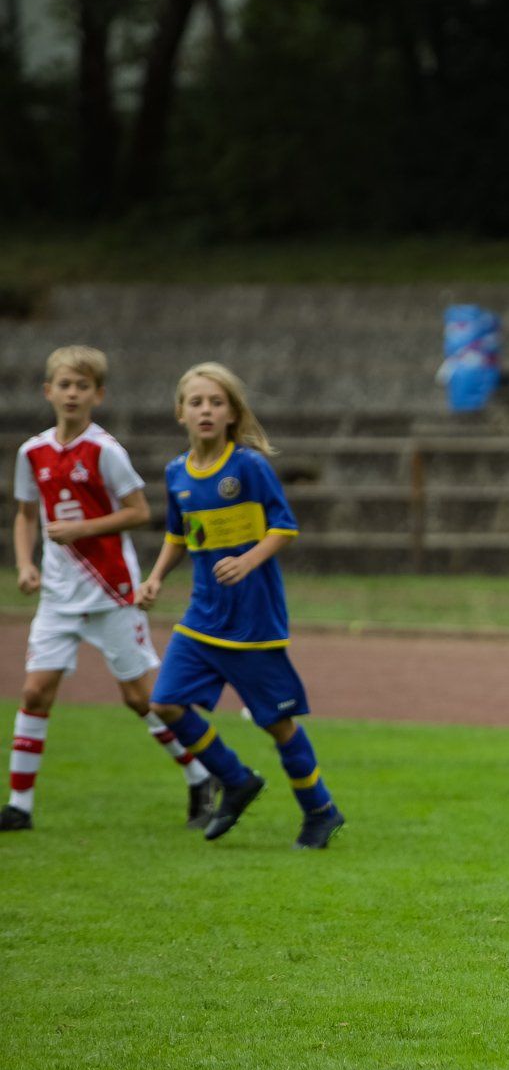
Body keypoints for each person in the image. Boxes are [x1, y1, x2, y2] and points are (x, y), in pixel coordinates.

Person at [135, 363, 346, 849]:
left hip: (253, 620)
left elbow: (284, 526)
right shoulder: (177, 473)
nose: (206, 410)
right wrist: (155, 578)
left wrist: (247, 561)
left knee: (277, 723)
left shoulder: (248, 467)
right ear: (180, 412)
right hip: (202, 615)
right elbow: (180, 535)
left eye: (216, 402)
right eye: (196, 402)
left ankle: (321, 810)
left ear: (232, 413)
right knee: (164, 702)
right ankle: (235, 779)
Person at [4, 346, 215, 832]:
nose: (72, 394)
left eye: (82, 386)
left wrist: (82, 529)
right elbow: (26, 514)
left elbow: (140, 512)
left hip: (111, 591)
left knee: (141, 699)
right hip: (58, 597)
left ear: (97, 395)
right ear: (48, 391)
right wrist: (25, 564)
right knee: (34, 692)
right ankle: (19, 806)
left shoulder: (105, 451)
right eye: (64, 385)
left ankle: (201, 774)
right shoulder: (31, 452)